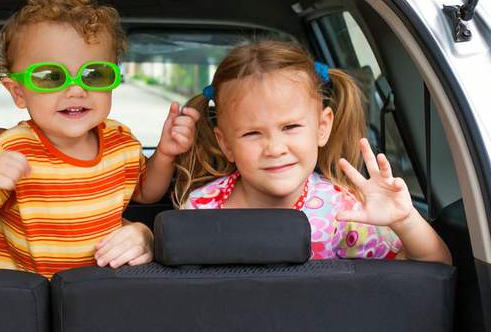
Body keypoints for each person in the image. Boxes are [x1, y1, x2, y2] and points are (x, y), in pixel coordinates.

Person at [0, 0, 200, 278]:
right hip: (32, 296)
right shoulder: (13, 149)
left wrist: (165, 154)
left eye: (95, 74)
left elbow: (145, 192)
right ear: (18, 93)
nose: (77, 89)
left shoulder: (120, 141)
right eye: (50, 76)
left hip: (99, 289)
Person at [174, 40, 450, 264]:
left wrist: (405, 220)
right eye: (252, 133)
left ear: (322, 127)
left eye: (290, 126)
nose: (275, 148)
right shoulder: (201, 208)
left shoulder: (343, 212)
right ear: (226, 145)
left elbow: (433, 267)